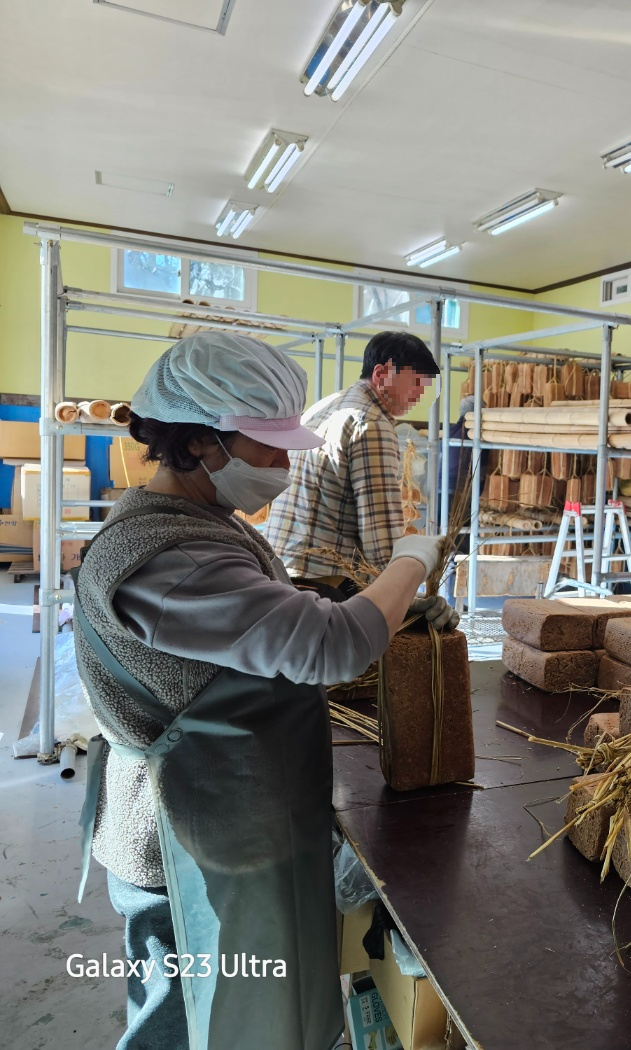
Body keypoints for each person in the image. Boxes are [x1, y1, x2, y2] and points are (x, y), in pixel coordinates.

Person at [73, 332, 450, 1049]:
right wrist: (407, 563)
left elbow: (263, 608)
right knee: (182, 1019)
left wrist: (385, 603)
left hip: (223, 819)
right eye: (266, 447)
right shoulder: (164, 558)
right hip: (179, 839)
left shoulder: (199, 520)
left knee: (239, 1014)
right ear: (200, 442)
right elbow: (329, 646)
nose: (284, 463)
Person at [265, 330, 456, 630]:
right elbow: (381, 543)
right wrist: (407, 587)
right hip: (325, 586)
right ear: (381, 374)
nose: (420, 393)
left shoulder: (324, 406)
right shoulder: (371, 423)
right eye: (416, 382)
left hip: (280, 573)